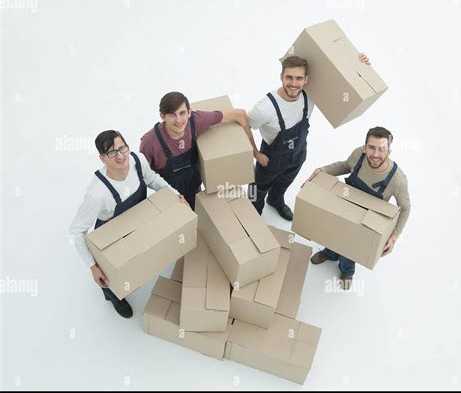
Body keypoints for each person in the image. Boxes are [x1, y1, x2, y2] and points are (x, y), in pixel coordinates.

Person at [70, 130, 185, 318]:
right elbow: (77, 231)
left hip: (138, 220)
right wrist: (93, 266)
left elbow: (153, 180)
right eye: (112, 152)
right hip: (112, 234)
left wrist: (174, 194)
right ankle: (115, 297)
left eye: (122, 148)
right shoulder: (97, 193)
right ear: (102, 158)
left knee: (140, 259)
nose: (120, 155)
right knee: (110, 277)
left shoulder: (137, 160)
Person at [247, 53, 371, 220]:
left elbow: (341, 85)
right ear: (281, 77)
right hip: (270, 159)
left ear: (306, 80)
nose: (293, 84)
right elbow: (244, 126)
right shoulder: (265, 108)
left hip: (298, 155)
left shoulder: (310, 96)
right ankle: (252, 216)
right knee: (257, 188)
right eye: (289, 78)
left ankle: (275, 200)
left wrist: (358, 65)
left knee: (284, 182)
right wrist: (256, 154)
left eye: (298, 78)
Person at [302, 126, 411, 290]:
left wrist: (394, 236)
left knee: (351, 249)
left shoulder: (397, 179)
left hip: (365, 221)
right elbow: (345, 166)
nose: (375, 154)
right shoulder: (358, 156)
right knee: (333, 233)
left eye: (382, 149)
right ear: (364, 147)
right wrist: (323, 170)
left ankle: (347, 271)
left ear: (389, 151)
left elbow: (405, 208)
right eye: (371, 147)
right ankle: (329, 253)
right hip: (344, 207)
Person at [140, 91, 260, 210]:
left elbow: (239, 114)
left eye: (182, 113)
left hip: (194, 187)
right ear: (162, 116)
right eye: (172, 114)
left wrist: (255, 153)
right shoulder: (150, 142)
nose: (178, 120)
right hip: (169, 197)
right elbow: (142, 175)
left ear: (189, 112)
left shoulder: (195, 121)